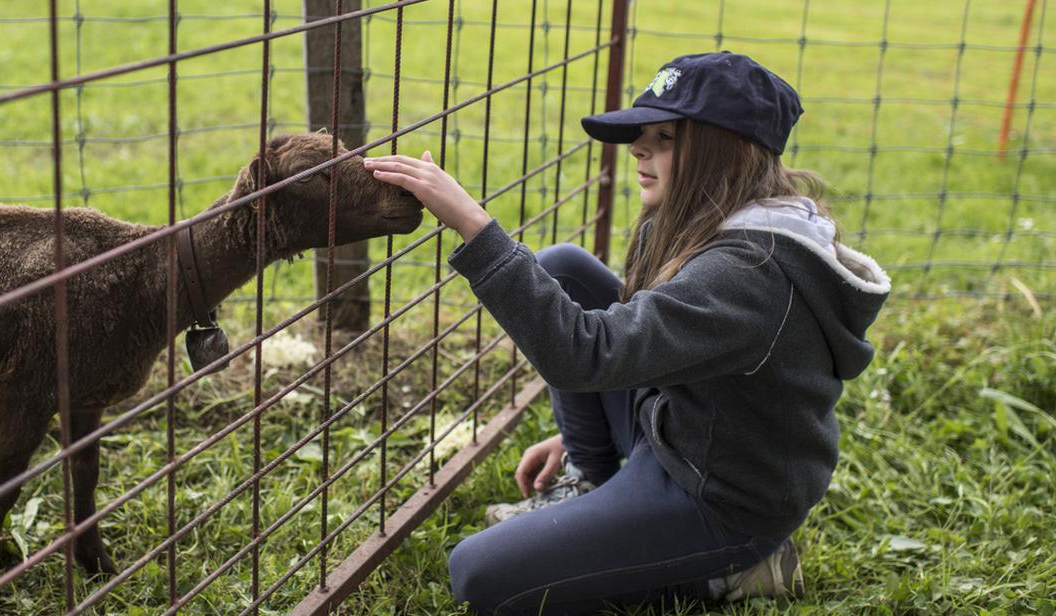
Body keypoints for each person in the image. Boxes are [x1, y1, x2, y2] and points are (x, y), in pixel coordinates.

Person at [363, 51, 890, 615]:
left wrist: (475, 226)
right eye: (642, 133)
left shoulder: (747, 275)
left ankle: (732, 571)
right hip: (683, 434)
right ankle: (591, 481)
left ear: (730, 152)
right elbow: (646, 345)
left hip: (720, 500)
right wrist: (586, 437)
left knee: (480, 575)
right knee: (563, 267)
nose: (639, 148)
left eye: (665, 137)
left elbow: (584, 356)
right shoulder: (692, 223)